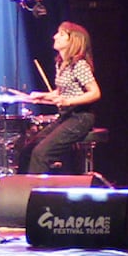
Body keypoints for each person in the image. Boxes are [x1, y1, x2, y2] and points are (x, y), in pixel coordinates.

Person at [23, 21, 100, 174]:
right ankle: (21, 190)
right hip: (66, 116)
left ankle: (36, 195)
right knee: (29, 149)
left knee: (41, 153)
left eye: (61, 34)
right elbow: (62, 91)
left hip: (80, 118)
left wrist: (68, 101)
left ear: (73, 40)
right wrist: (44, 96)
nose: (55, 36)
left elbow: (95, 93)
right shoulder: (61, 64)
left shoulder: (79, 65)